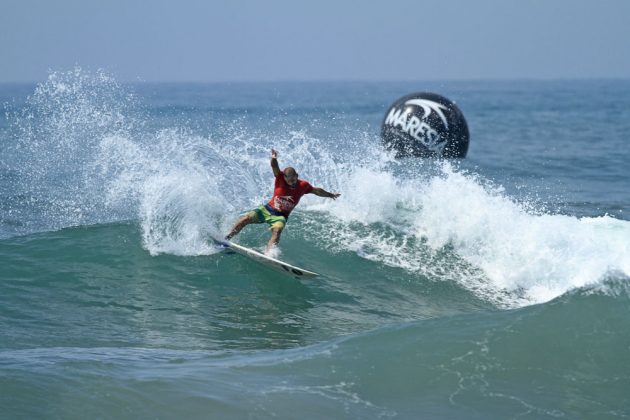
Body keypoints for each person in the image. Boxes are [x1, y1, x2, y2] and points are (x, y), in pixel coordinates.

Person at [225, 148, 340, 252]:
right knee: (245, 219)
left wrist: (330, 195)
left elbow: (317, 190)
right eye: (289, 181)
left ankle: (269, 254)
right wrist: (274, 158)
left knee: (277, 232)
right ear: (284, 178)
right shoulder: (279, 178)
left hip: (281, 216)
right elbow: (274, 166)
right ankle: (226, 239)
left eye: (294, 180)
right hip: (267, 209)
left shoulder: (303, 185)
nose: (292, 183)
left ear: (297, 176)